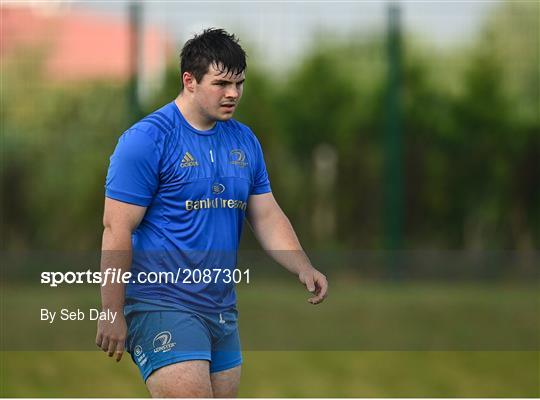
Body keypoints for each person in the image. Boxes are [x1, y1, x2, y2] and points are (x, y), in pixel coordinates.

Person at [96, 28, 328, 398]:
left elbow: (266, 214)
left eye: (239, 83)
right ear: (189, 81)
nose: (233, 93)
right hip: (161, 302)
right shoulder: (147, 140)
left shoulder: (244, 140)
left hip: (221, 309)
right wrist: (111, 311)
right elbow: (116, 229)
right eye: (221, 83)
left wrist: (302, 265)